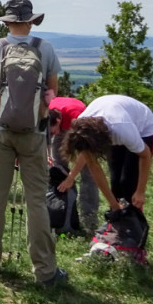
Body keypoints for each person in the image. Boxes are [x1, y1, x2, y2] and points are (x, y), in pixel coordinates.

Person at [0, 0, 66, 285]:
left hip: (0, 132)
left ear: (6, 22)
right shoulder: (46, 49)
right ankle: (45, 271)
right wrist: (39, 110)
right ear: (31, 21)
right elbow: (53, 94)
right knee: (36, 201)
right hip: (35, 134)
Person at [57, 94, 153, 212]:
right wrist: (114, 205)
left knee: (129, 184)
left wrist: (140, 191)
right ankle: (119, 223)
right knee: (116, 185)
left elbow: (145, 156)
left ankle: (136, 225)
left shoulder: (122, 130)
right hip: (112, 122)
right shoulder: (81, 128)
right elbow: (94, 167)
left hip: (144, 128)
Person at [48, 96, 99, 232]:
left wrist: (71, 178)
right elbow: (45, 136)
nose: (51, 136)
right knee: (58, 170)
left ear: (58, 121)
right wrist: (48, 155)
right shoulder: (45, 113)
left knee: (88, 174)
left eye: (52, 133)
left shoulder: (76, 117)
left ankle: (89, 218)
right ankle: (62, 210)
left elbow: (85, 153)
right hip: (61, 124)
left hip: (80, 127)